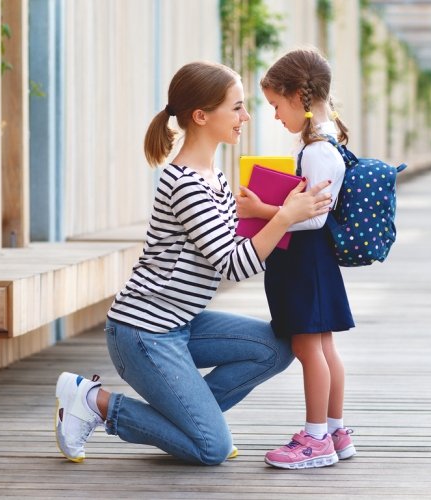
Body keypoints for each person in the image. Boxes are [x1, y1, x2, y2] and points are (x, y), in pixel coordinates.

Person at [53, 61, 333, 465]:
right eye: (236, 107)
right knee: (210, 449)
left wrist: (272, 211)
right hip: (143, 333)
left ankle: (190, 422)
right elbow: (233, 265)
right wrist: (286, 216)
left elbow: (233, 243)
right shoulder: (185, 183)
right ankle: (95, 402)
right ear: (201, 116)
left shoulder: (213, 177)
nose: (246, 116)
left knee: (276, 347)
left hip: (181, 323)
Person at [236, 47, 356, 469]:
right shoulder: (325, 143)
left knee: (310, 350)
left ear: (297, 96)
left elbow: (312, 219)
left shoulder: (317, 150)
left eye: (275, 105)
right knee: (323, 348)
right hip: (313, 265)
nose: (274, 115)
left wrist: (260, 211)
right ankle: (335, 430)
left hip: (304, 263)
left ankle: (316, 438)